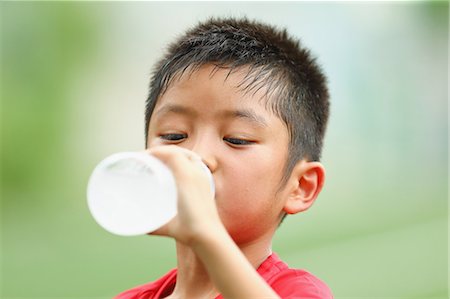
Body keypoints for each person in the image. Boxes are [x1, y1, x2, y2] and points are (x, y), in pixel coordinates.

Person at [115, 17, 332, 299]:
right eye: (173, 135)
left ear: (301, 186)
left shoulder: (296, 291)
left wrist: (206, 234)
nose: (197, 156)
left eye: (236, 139)